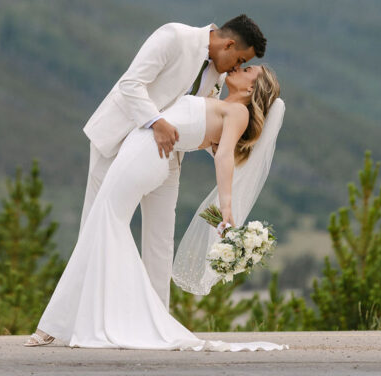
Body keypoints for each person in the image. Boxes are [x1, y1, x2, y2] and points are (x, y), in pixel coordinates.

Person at [26, 64, 287, 351]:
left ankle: (55, 325)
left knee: (104, 222)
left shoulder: (238, 113)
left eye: (248, 68)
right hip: (143, 151)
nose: (239, 66)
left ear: (251, 89)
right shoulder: (220, 104)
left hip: (147, 154)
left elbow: (224, 157)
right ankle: (85, 320)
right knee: (105, 226)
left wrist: (227, 209)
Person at [80, 16, 266, 307]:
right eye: (239, 59)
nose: (236, 68)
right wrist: (156, 122)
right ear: (229, 44)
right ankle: (77, 315)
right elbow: (131, 84)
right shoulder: (174, 36)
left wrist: (218, 147)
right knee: (98, 224)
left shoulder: (218, 76)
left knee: (161, 241)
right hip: (119, 139)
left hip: (168, 158)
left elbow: (192, 122)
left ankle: (157, 319)